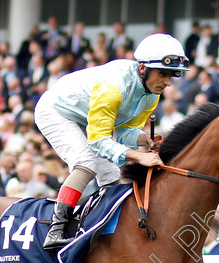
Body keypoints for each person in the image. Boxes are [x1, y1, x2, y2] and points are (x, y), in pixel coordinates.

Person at [35, 33, 189, 249]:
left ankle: (106, 231)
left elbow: (124, 130)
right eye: (163, 74)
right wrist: (138, 156)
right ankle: (56, 229)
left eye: (172, 76)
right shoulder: (112, 89)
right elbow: (98, 141)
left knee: (112, 176)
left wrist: (144, 139)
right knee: (86, 163)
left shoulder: (152, 94)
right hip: (57, 112)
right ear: (143, 69)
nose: (167, 82)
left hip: (87, 118)